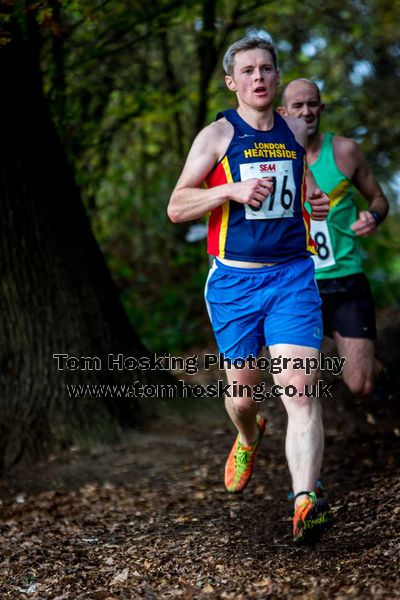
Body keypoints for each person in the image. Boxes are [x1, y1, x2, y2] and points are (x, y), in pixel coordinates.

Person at [168, 33, 333, 544]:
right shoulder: (217, 135)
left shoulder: (292, 130)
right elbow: (177, 206)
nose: (258, 77)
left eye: (266, 68)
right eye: (248, 70)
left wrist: (315, 200)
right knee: (242, 397)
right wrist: (229, 190)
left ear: (277, 76)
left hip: (291, 277)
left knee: (300, 391)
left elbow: (302, 185)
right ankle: (248, 434)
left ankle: (305, 501)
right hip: (234, 282)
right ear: (231, 81)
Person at [278, 79, 389, 399]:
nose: (306, 111)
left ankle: (370, 366)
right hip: (296, 281)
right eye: (297, 106)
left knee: (360, 383)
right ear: (284, 112)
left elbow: (379, 199)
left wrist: (374, 216)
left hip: (344, 280)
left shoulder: (345, 150)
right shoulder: (274, 157)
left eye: (312, 104)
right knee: (295, 382)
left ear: (321, 108)